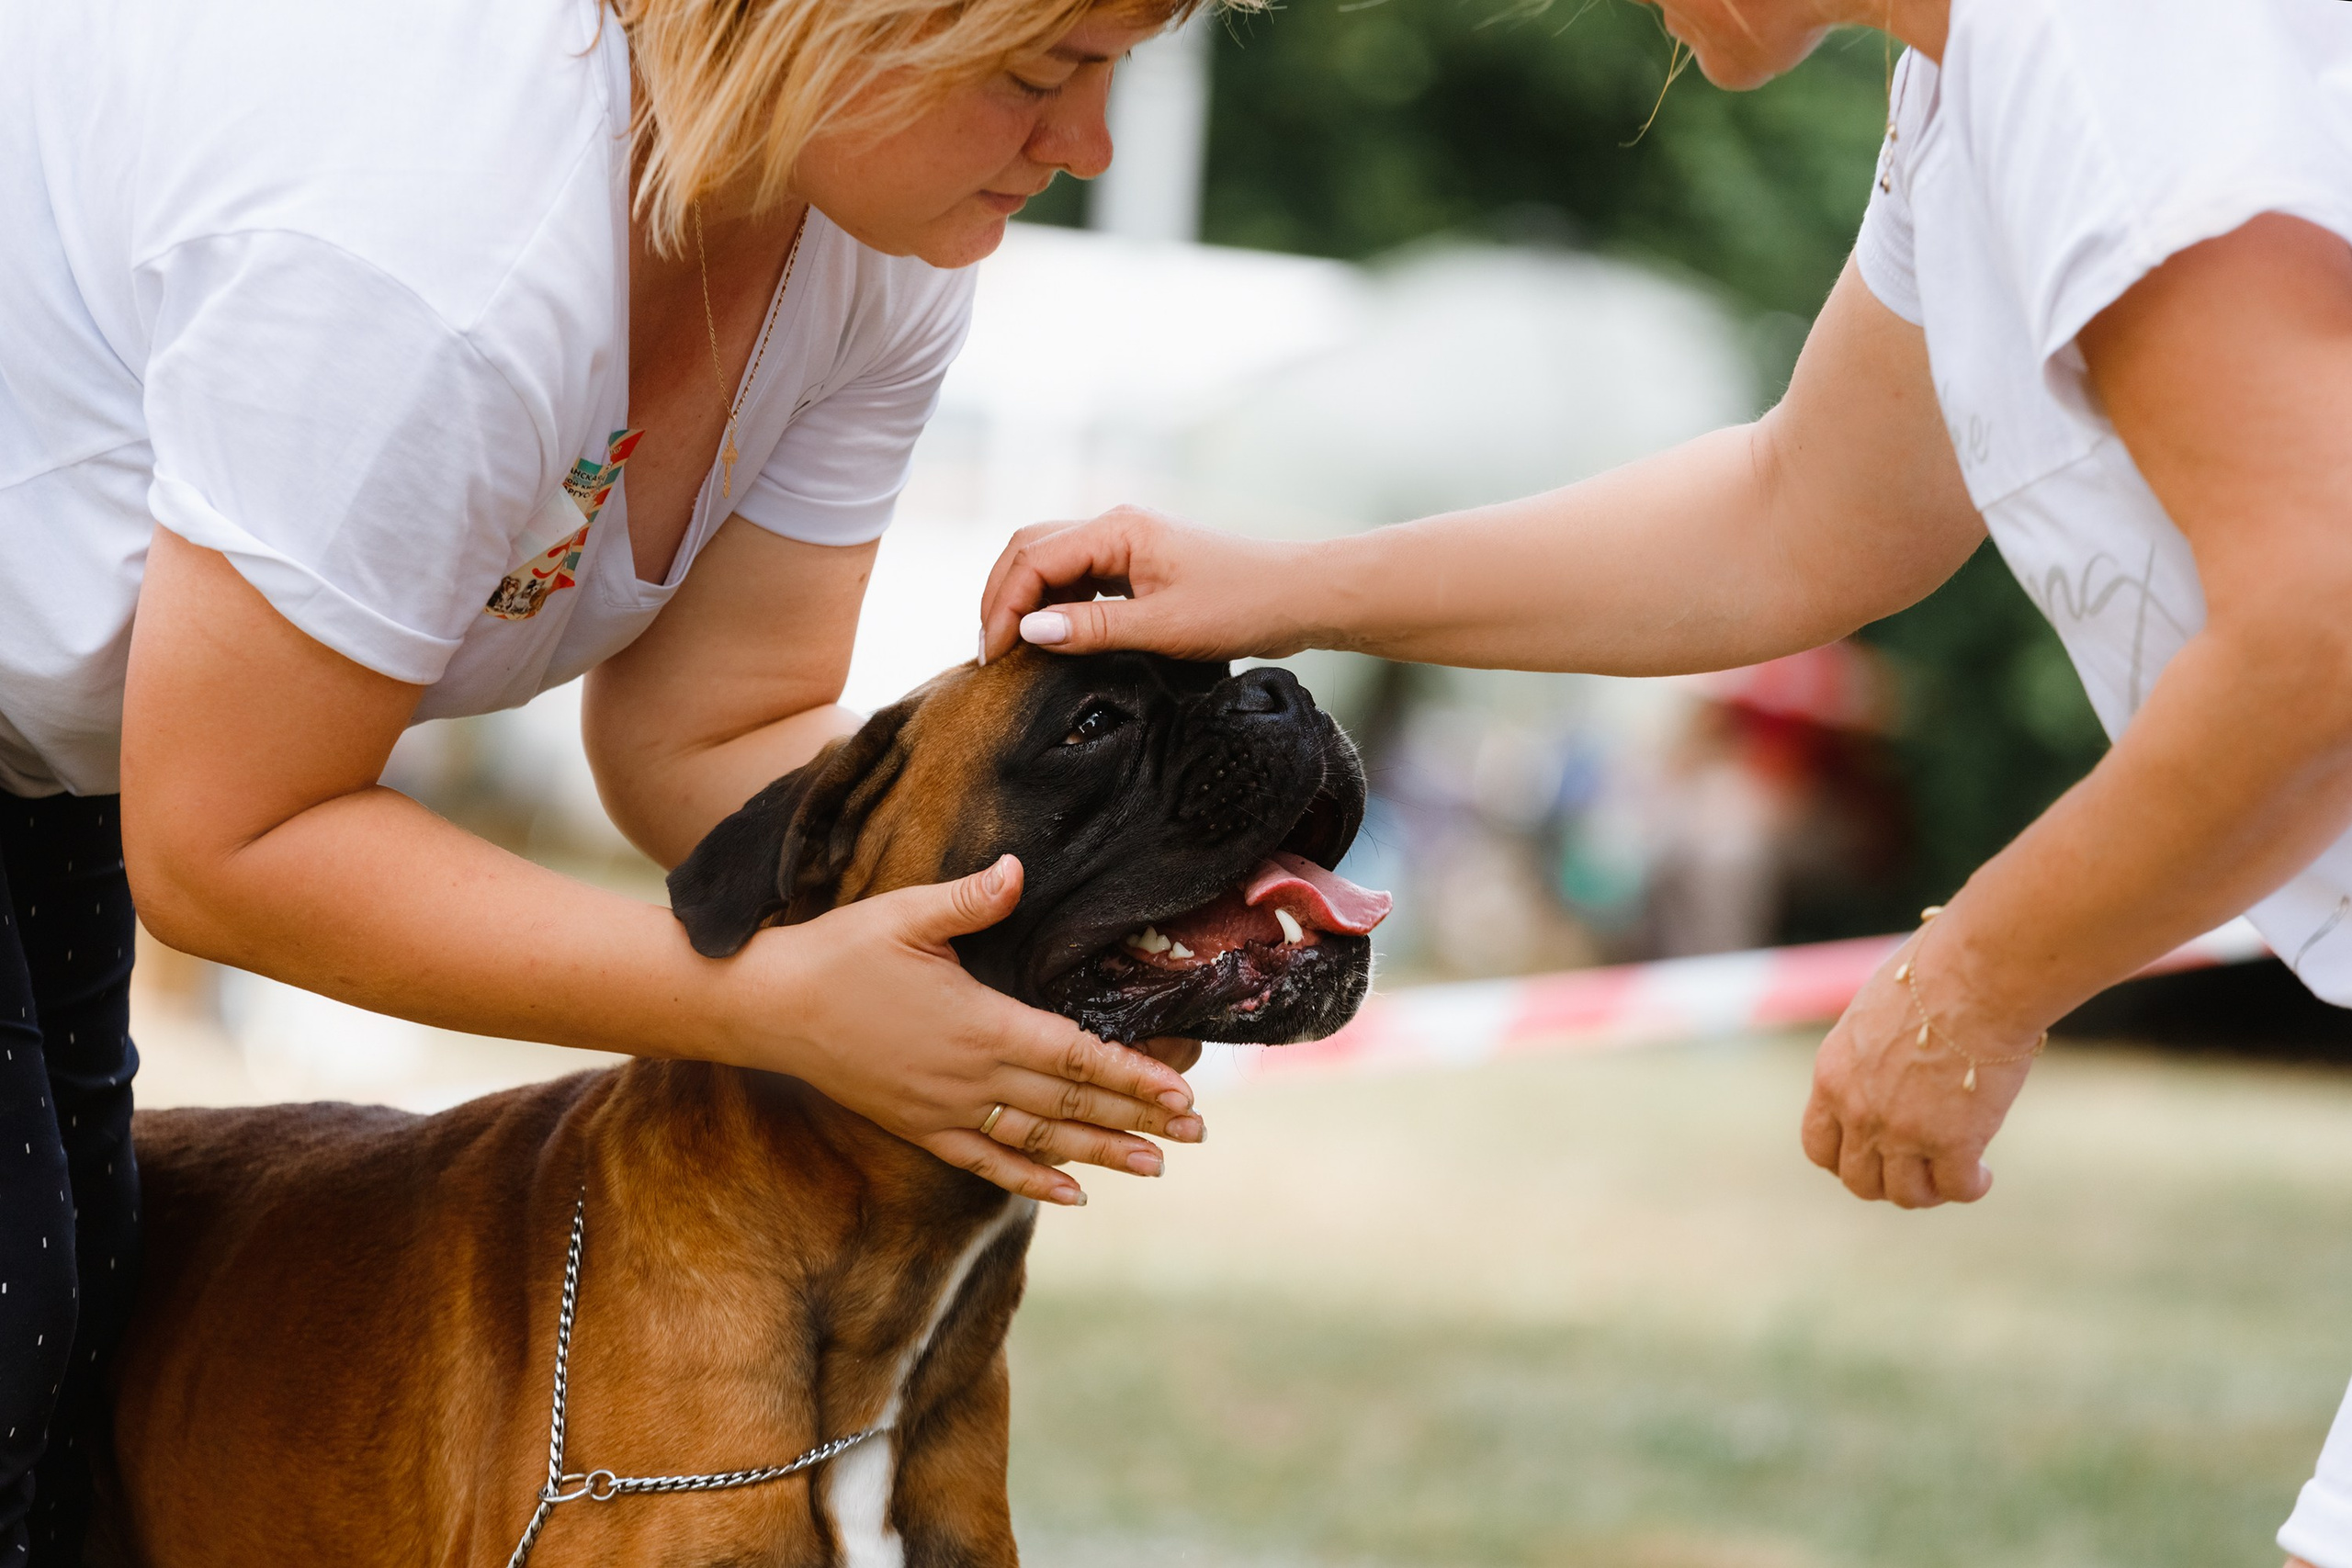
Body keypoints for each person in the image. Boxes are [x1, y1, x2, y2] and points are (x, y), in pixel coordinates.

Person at [978, 0, 2352, 1561]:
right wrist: (1283, 585)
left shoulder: (2099, 43)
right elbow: (1796, 519)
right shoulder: (1971, 88)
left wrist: (1974, 981)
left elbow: (2319, 627)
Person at [0, 0, 1216, 1552]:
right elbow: (230, 846)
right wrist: (771, 1005)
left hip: (44, 761)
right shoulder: (433, 250)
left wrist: (1064, 917)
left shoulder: (877, 243)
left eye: (1118, 67)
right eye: (1039, 73)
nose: (1090, 143)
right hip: (120, 776)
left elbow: (711, 737)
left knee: (76, 1317)